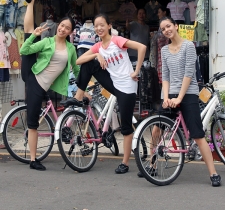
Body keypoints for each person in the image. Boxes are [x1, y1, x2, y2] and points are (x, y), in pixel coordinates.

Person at [139, 16, 221, 186]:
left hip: (188, 93)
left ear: (175, 26)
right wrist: (167, 98)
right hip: (170, 94)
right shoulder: (164, 50)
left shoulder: (188, 46)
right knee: (156, 129)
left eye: (168, 26)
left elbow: (188, 74)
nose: (166, 30)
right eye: (163, 29)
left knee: (198, 135)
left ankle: (213, 173)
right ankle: (152, 164)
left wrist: (180, 98)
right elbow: (166, 77)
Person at [71, 13, 146, 174]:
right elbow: (78, 61)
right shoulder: (98, 46)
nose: (99, 28)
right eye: (96, 26)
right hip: (112, 83)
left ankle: (125, 163)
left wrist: (136, 71)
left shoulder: (116, 41)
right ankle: (78, 96)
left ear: (109, 26)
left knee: (126, 126)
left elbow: (142, 47)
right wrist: (97, 54)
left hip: (126, 86)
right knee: (88, 63)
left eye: (102, 25)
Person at [20, 0, 80, 171]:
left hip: (45, 84)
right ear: (58, 26)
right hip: (34, 77)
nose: (62, 29)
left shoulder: (71, 49)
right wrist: (34, 36)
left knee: (32, 32)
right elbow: (24, 49)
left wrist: (83, 87)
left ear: (71, 31)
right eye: (61, 25)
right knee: (33, 123)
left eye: (66, 28)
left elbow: (76, 69)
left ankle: (29, 2)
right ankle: (33, 160)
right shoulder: (48, 41)